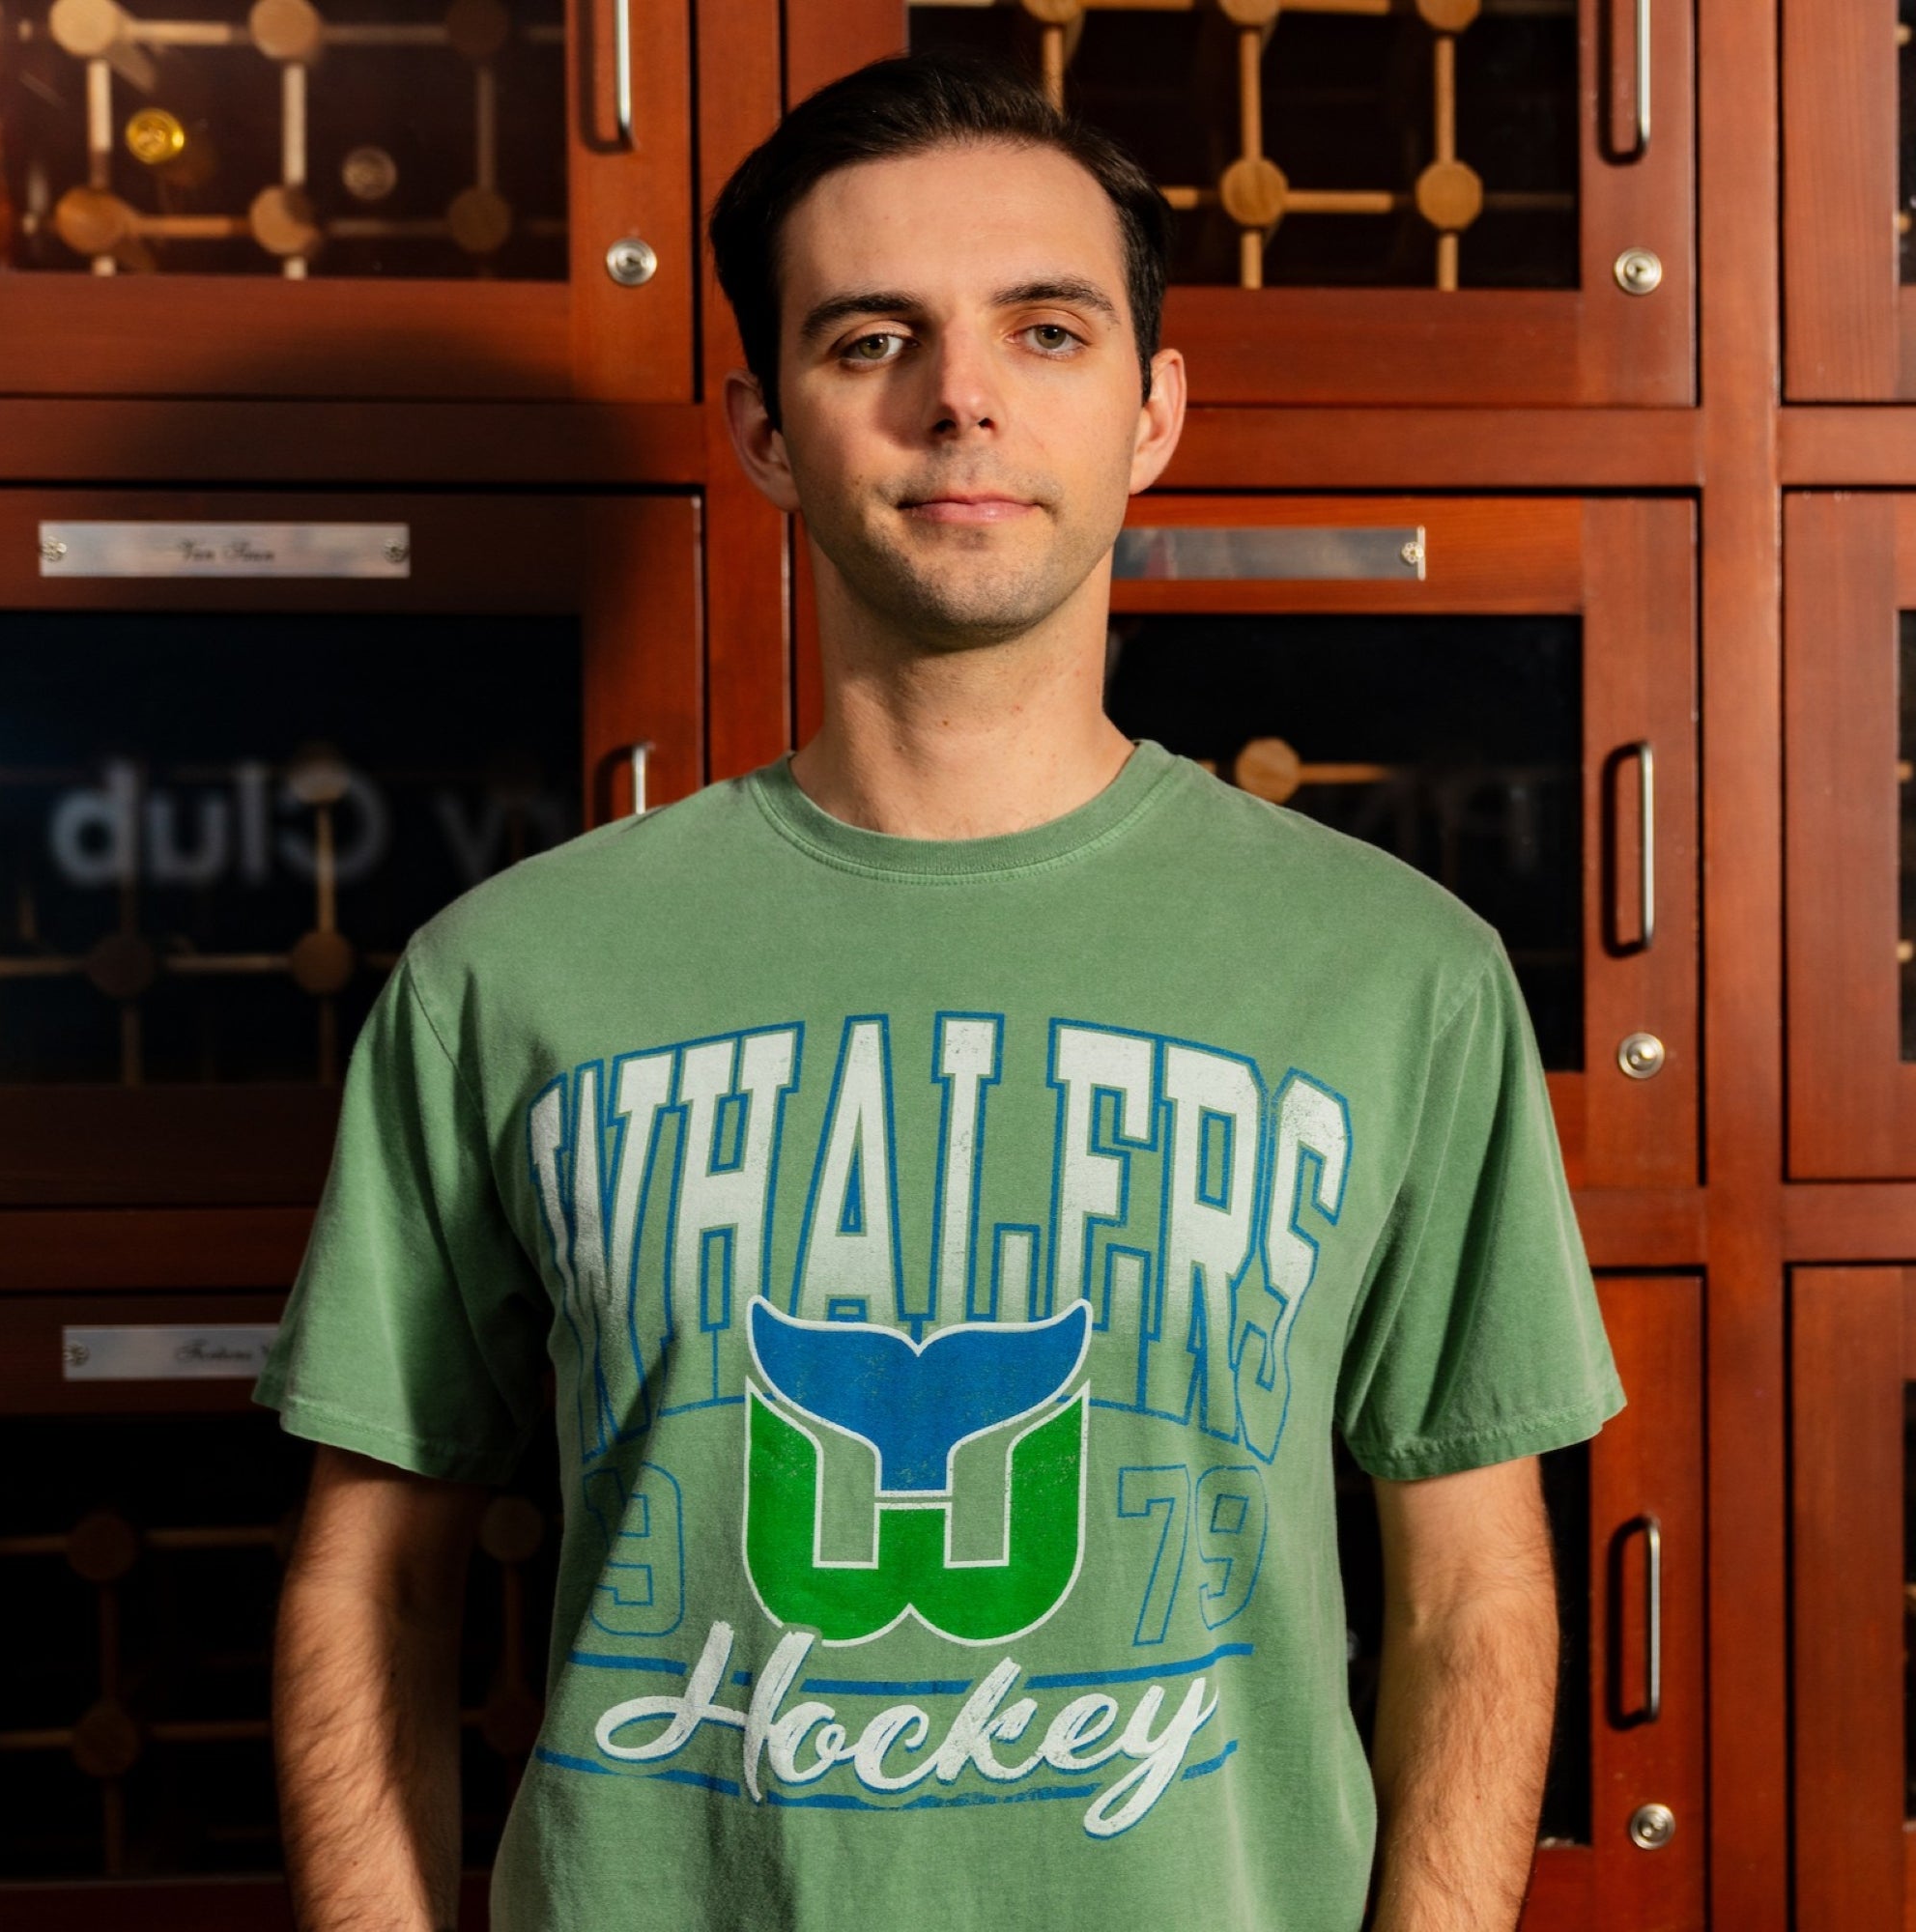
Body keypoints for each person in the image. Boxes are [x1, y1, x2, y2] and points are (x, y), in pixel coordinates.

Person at [252, 49, 1623, 1932]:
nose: (959, 396)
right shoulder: (507, 977)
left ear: (1151, 412)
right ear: (761, 428)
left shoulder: (1396, 975)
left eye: (1045, 332)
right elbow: (368, 1579)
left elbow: (1474, 1588)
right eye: (868, 337)